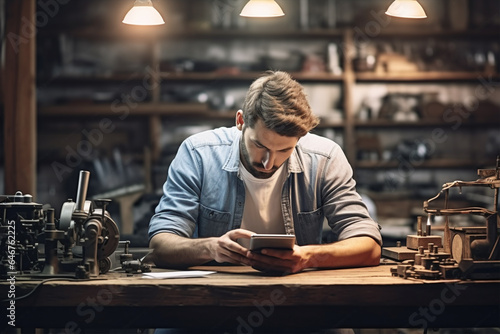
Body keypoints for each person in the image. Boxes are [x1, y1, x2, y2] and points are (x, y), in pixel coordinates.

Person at [148, 70, 381, 274]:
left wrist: (307, 257)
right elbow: (160, 245)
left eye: (284, 150)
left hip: (300, 298)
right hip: (211, 299)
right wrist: (211, 248)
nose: (269, 163)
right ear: (240, 121)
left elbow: (369, 246)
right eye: (260, 146)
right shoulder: (198, 154)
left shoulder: (325, 158)